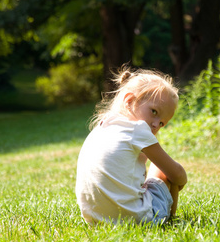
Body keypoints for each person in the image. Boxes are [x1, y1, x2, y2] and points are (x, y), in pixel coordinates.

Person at [75, 67, 187, 224]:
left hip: (95, 219)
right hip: (137, 219)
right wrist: (180, 177)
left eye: (162, 123)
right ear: (129, 101)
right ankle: (170, 219)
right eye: (154, 112)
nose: (156, 125)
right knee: (163, 169)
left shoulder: (101, 128)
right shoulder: (138, 129)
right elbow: (177, 174)